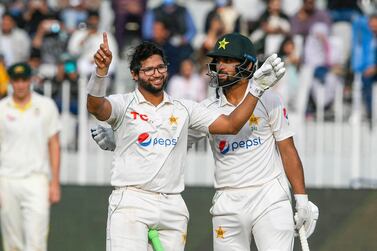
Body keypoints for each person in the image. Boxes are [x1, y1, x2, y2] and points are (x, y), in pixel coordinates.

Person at [91, 33, 319, 250]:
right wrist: (121, 138)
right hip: (227, 202)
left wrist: (301, 199)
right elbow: (170, 139)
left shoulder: (269, 100)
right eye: (218, 61)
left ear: (248, 66)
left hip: (269, 196)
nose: (220, 67)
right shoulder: (206, 109)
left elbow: (287, 150)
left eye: (228, 61)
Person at [0, 62, 61, 251]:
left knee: (36, 242)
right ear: (10, 82)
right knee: (12, 243)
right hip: (7, 179)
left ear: (30, 81)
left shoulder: (46, 106)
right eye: (16, 80)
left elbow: (54, 144)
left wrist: (55, 183)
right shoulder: (2, 108)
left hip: (36, 179)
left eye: (24, 80)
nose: (20, 85)